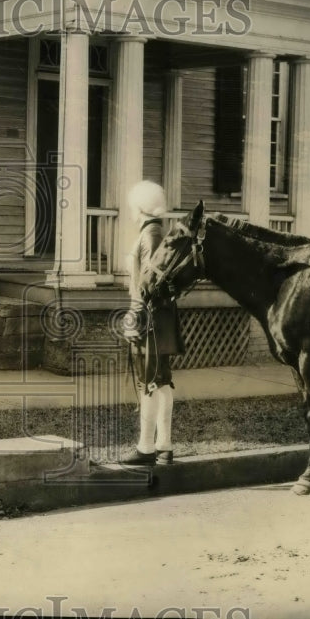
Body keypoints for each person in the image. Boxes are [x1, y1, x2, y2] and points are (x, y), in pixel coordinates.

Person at [120, 180, 184, 467]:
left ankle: (148, 448)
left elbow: (148, 285)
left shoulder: (150, 235)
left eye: (132, 206)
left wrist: (133, 318)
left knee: (151, 381)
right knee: (159, 380)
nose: (130, 212)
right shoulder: (154, 232)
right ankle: (163, 446)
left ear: (140, 207)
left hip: (151, 319)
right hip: (156, 318)